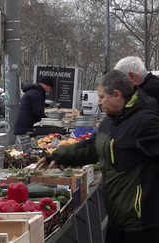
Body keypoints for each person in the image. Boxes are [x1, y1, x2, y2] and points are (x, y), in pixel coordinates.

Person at [37, 70, 159, 242]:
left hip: (142, 222)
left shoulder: (146, 122)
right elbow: (93, 147)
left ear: (117, 95)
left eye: (102, 97)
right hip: (117, 217)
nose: (100, 103)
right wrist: (60, 155)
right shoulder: (111, 121)